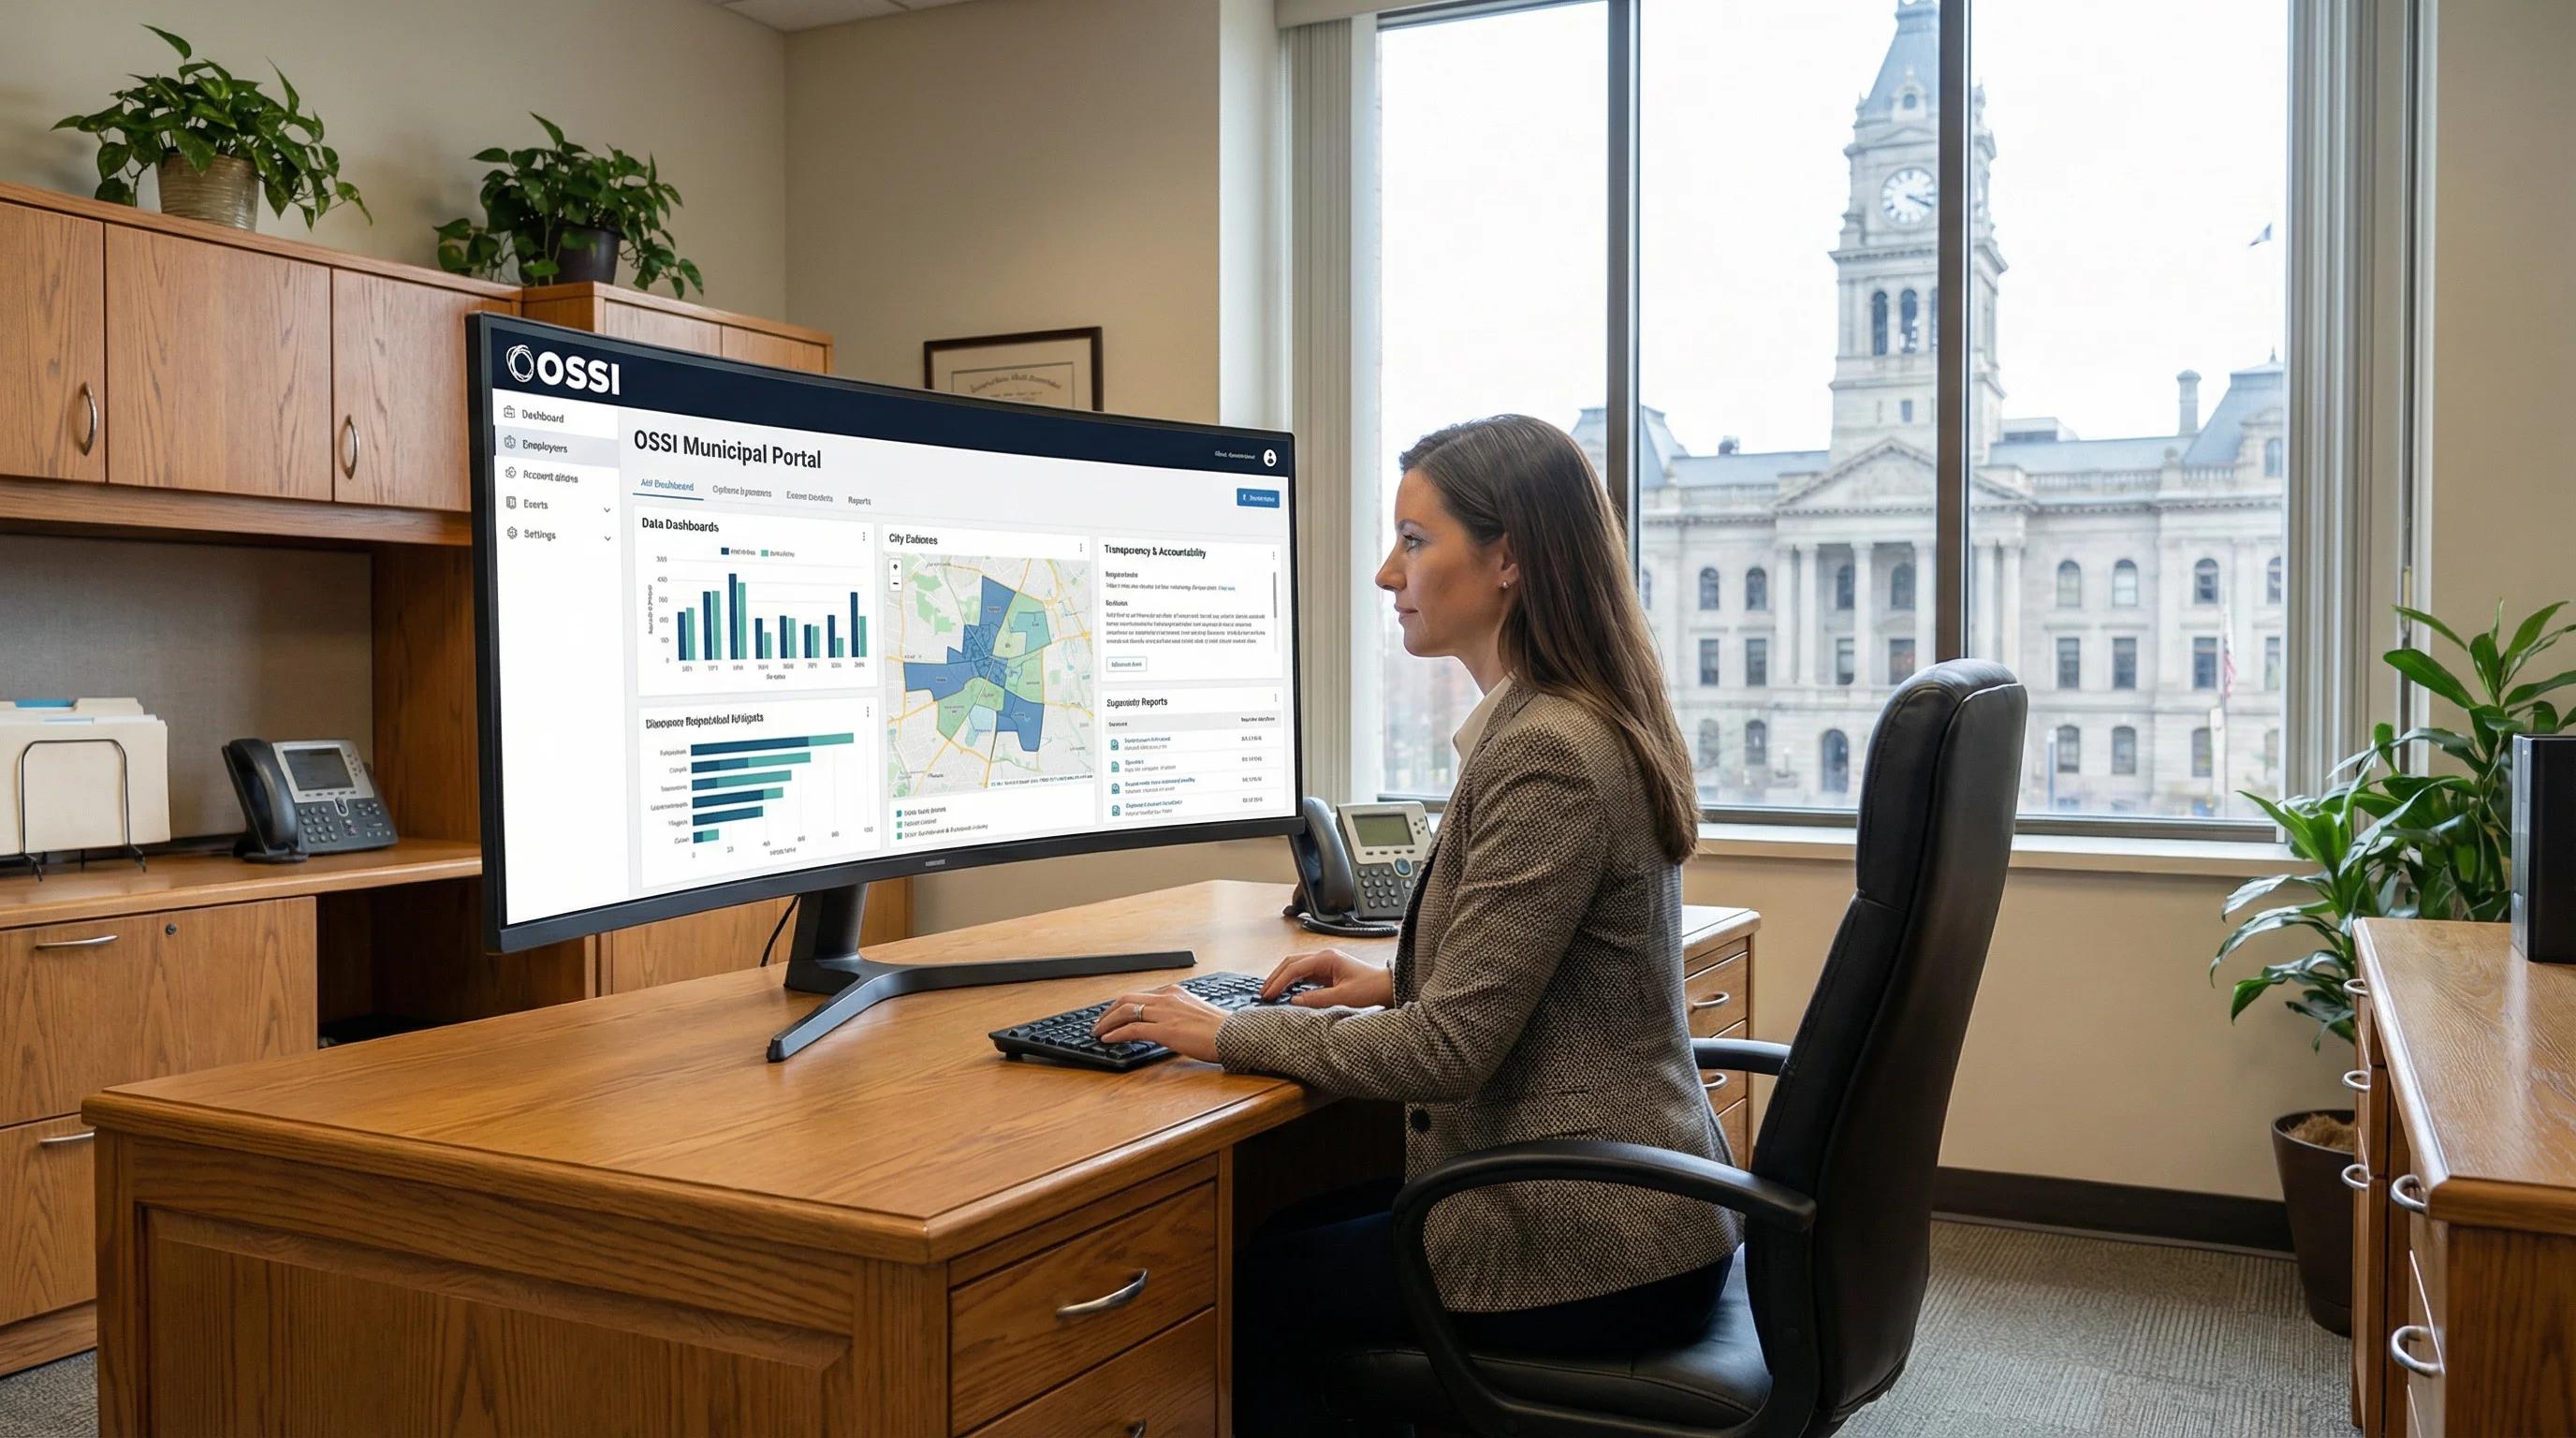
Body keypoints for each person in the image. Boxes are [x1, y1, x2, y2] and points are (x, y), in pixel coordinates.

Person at [1093, 414, 1737, 1435]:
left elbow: (1450, 1053)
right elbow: (1550, 969)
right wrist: (1392, 981)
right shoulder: (1570, 719)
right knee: (1282, 1225)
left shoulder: (1547, 752)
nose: (1387, 572)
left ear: (1508, 559)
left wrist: (1223, 1031)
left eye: (1415, 539)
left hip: (1595, 1241)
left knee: (1252, 1284)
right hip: (1644, 1213)